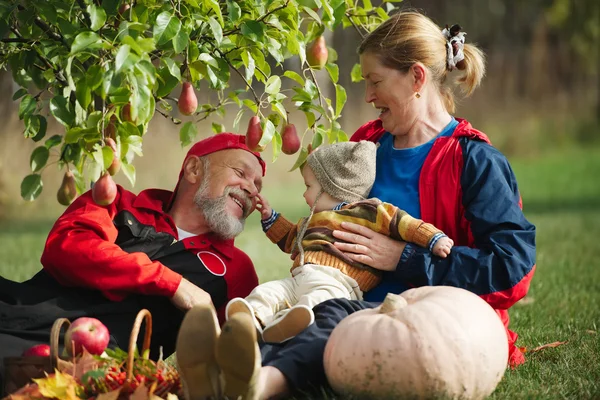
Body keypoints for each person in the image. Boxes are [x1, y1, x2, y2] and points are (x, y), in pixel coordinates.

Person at [175, 10, 536, 400]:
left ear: (416, 78)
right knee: (296, 316)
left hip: (428, 323)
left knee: (328, 334)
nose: (367, 96)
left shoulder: (474, 160)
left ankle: (257, 386)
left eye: (375, 81)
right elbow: (327, 217)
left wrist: (404, 257)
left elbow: (511, 271)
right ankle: (217, 375)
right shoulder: (367, 145)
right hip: (343, 297)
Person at [0, 133, 265, 370]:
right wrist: (172, 284)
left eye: (257, 186)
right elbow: (66, 248)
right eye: (241, 174)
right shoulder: (115, 201)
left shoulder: (236, 271)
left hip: (92, 365)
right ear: (194, 169)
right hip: (21, 310)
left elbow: (240, 356)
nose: (252, 191)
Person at [224, 140, 453, 344]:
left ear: (331, 186)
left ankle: (291, 322)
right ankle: (251, 318)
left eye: (308, 187)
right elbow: (290, 240)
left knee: (321, 300)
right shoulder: (313, 220)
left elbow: (406, 224)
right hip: (299, 277)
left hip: (339, 283)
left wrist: (434, 238)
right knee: (269, 291)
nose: (304, 195)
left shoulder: (371, 211)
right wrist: (269, 216)